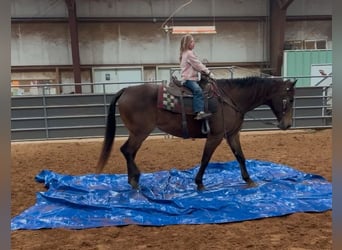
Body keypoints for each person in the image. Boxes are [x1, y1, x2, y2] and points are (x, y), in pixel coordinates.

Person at [179, 34, 215, 120]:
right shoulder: (189, 53)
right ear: (187, 43)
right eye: (192, 41)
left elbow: (196, 66)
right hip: (189, 79)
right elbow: (198, 65)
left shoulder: (185, 53)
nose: (194, 43)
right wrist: (209, 73)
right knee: (198, 91)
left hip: (190, 79)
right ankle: (199, 112)